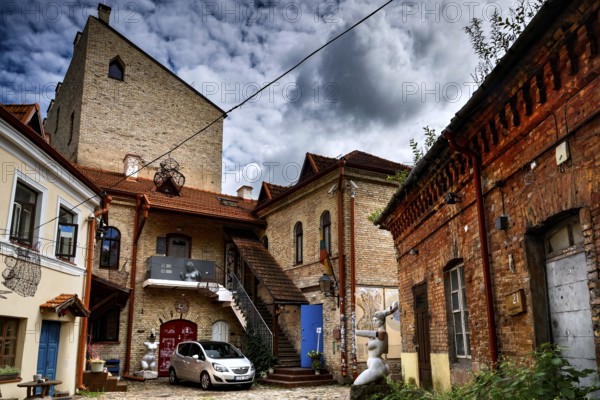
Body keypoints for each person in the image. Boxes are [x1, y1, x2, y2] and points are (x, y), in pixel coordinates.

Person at [353, 301, 399, 386]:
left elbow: (368, 333)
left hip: (376, 363)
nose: (374, 322)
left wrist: (358, 332)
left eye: (376, 320)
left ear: (381, 321)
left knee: (357, 384)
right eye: (373, 321)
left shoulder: (382, 333)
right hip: (375, 362)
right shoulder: (376, 334)